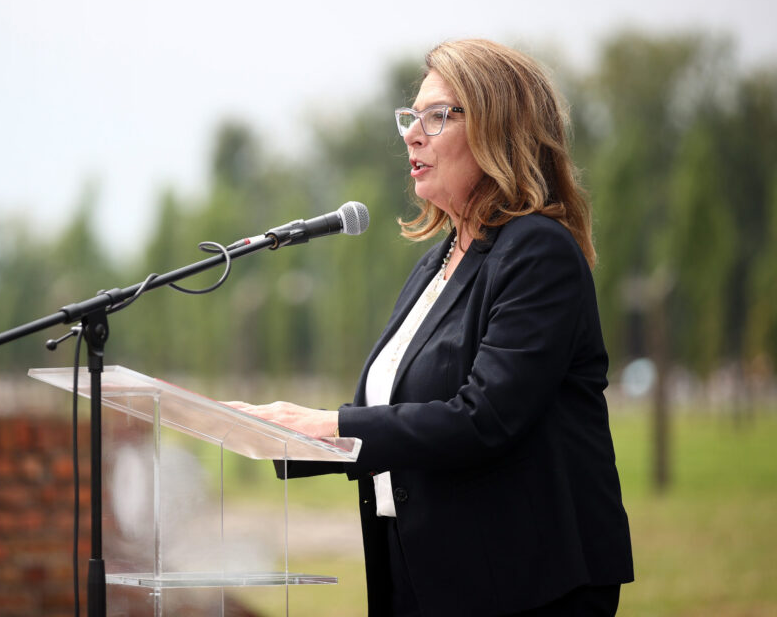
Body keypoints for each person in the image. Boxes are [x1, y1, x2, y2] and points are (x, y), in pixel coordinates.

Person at [227, 39, 634, 616]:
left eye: (438, 116)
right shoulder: (440, 260)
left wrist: (325, 423)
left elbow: (484, 416)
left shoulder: (538, 252)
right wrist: (271, 435)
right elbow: (401, 407)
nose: (413, 135)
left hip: (523, 581)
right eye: (411, 118)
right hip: (421, 569)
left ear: (501, 129)